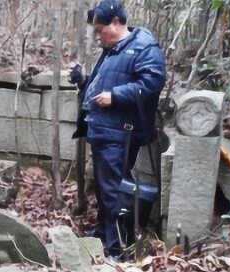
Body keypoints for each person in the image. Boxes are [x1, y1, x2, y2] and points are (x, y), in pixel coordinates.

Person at [70, 0, 166, 258]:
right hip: (103, 129)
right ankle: (103, 234)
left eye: (101, 29)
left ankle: (116, 248)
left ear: (116, 22)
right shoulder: (113, 49)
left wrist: (116, 96)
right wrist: (83, 81)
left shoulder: (143, 46)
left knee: (113, 190)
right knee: (104, 188)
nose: (98, 35)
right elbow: (103, 85)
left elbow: (153, 82)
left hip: (121, 131)